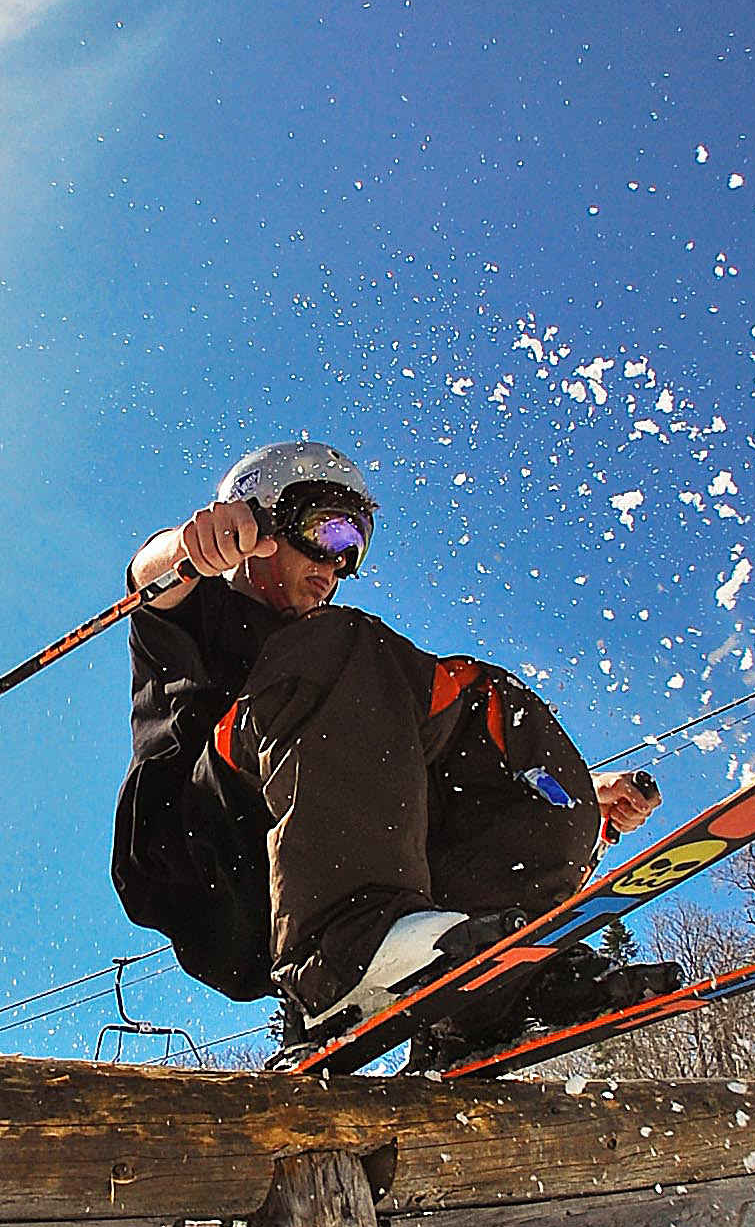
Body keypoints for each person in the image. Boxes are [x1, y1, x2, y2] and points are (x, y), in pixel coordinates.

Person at [111, 441, 678, 1071]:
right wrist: (190, 548)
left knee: (491, 704)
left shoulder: (351, 678)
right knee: (346, 644)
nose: (336, 563)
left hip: (312, 859)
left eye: (354, 545)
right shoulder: (202, 607)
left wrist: (562, 789)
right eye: (323, 530)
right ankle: (345, 954)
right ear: (260, 521)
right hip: (204, 854)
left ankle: (494, 992)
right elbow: (148, 578)